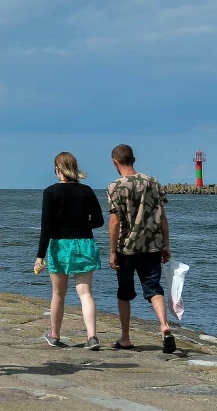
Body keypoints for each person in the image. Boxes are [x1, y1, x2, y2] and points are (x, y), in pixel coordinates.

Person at [106, 144, 175, 353]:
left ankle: (125, 337)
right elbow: (162, 216)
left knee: (125, 293)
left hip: (126, 248)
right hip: (152, 246)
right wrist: (166, 244)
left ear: (115, 162)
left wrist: (111, 251)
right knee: (153, 288)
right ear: (133, 159)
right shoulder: (153, 182)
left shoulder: (115, 186)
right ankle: (164, 325)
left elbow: (114, 222)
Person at [35, 152, 104, 349]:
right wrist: (81, 223)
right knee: (85, 293)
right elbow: (98, 220)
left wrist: (40, 256)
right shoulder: (87, 191)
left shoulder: (51, 192)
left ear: (58, 169)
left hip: (60, 245)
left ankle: (55, 334)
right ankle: (92, 337)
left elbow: (46, 226)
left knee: (58, 293)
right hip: (84, 243)